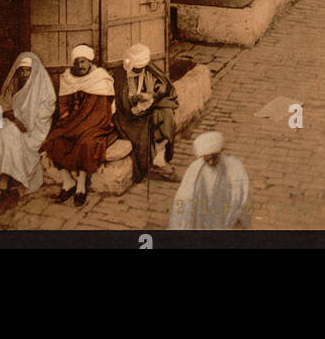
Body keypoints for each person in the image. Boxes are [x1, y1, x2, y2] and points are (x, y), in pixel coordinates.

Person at [43, 44, 117, 207]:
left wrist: (85, 125)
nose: (80, 66)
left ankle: (81, 186)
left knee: (87, 142)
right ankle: (68, 182)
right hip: (72, 122)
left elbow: (104, 108)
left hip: (95, 123)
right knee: (55, 139)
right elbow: (63, 102)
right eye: (77, 62)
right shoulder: (68, 77)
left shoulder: (100, 77)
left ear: (90, 62)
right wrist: (66, 118)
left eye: (83, 62)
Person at [0, 51, 56, 201]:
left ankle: (5, 184)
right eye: (21, 71)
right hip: (14, 123)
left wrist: (26, 121)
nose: (24, 74)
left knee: (8, 134)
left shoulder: (43, 88)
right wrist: (14, 119)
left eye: (27, 71)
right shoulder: (12, 85)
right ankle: (4, 183)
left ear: (34, 72)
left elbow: (45, 115)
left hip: (33, 130)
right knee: (2, 131)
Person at [110, 44, 178, 183]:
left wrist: (151, 96)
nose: (140, 70)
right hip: (129, 115)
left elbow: (164, 86)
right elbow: (119, 103)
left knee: (166, 112)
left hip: (148, 107)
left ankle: (160, 154)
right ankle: (149, 163)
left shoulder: (149, 69)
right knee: (141, 130)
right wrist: (134, 105)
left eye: (141, 68)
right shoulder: (119, 75)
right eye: (137, 68)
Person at [167, 131, 252, 230]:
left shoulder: (232, 166)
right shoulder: (195, 170)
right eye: (207, 160)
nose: (211, 162)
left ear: (219, 154)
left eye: (214, 158)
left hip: (221, 208)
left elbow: (241, 190)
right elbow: (185, 195)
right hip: (203, 210)